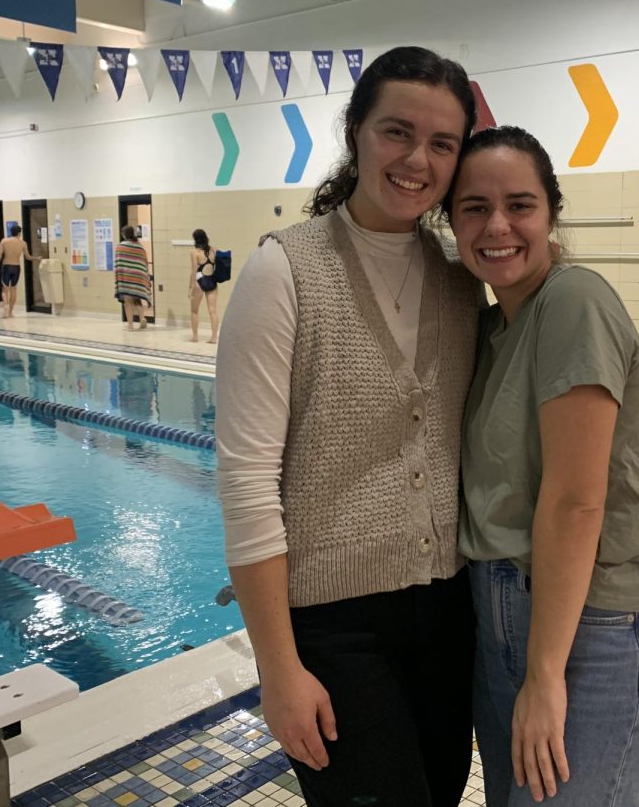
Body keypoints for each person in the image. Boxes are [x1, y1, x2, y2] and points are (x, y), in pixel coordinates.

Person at [216, 46, 480, 807]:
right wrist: (278, 668)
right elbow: (245, 482)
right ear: (356, 130)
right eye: (397, 132)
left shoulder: (461, 281)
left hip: (446, 617)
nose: (417, 160)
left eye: (442, 143)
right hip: (332, 629)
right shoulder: (284, 272)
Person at [444, 126, 639, 807]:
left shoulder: (573, 300)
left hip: (592, 635)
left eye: (520, 205)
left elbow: (577, 500)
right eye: (474, 208)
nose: (497, 226)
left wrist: (546, 676)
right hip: (507, 622)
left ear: (551, 214)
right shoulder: (494, 329)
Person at [0, 224, 36, 318]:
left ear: (11, 232)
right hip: (16, 267)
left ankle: (5, 306)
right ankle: (10, 312)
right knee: (13, 289)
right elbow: (28, 257)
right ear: (19, 233)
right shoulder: (23, 243)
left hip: (7, 266)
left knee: (4, 290)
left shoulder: (4, 241)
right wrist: (36, 258)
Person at [114, 225, 152, 331]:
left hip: (126, 278)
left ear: (124, 235)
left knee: (127, 302)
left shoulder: (120, 246)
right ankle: (142, 318)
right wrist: (146, 276)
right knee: (137, 300)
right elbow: (145, 262)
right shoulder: (140, 246)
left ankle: (130, 325)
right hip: (138, 278)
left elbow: (118, 262)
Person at [188, 229, 221, 343]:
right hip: (212, 281)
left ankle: (195, 336)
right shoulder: (213, 250)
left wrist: (191, 287)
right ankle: (214, 337)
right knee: (213, 311)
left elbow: (193, 271)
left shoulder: (194, 252)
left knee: (194, 311)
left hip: (199, 282)